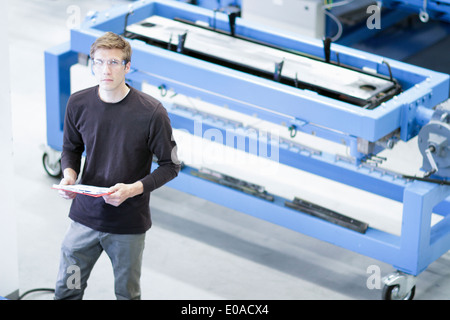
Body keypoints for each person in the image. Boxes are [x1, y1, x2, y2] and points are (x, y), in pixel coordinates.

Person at [54, 32, 181, 300]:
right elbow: (71, 148)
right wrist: (69, 176)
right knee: (69, 288)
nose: (105, 69)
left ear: (127, 67)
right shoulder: (78, 103)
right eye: (98, 62)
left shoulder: (151, 113)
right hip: (84, 220)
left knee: (126, 294)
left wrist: (134, 189)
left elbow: (171, 165)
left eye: (113, 62)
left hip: (127, 225)